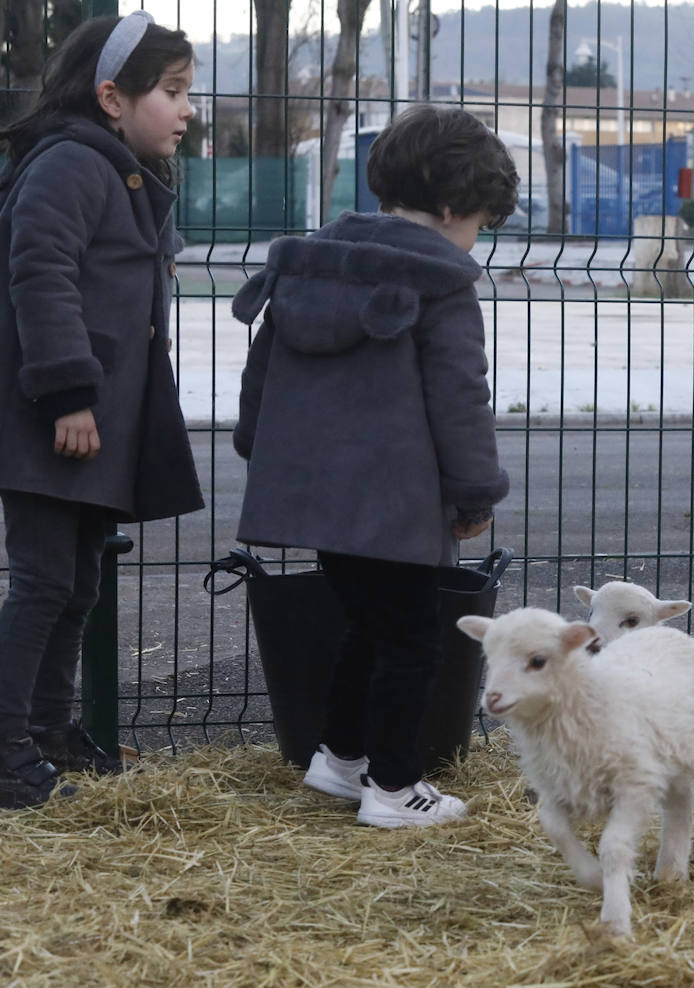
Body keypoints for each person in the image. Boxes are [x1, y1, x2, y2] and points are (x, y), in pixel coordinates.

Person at [231, 105, 515, 828]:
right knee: (413, 639)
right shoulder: (440, 280)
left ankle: (340, 758)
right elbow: (460, 398)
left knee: (367, 623)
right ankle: (394, 789)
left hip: (319, 497)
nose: (475, 238)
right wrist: (476, 493)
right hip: (395, 502)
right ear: (452, 206)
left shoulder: (311, 260)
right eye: (480, 220)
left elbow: (260, 372)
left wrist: (257, 444)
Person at [0, 12, 204, 810]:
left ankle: (49, 731)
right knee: (45, 581)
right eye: (174, 92)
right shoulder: (72, 165)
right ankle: (6, 746)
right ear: (112, 96)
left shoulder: (115, 168)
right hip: (53, 417)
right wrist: (69, 394)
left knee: (77, 583)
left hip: (89, 421)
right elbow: (39, 275)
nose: (187, 110)